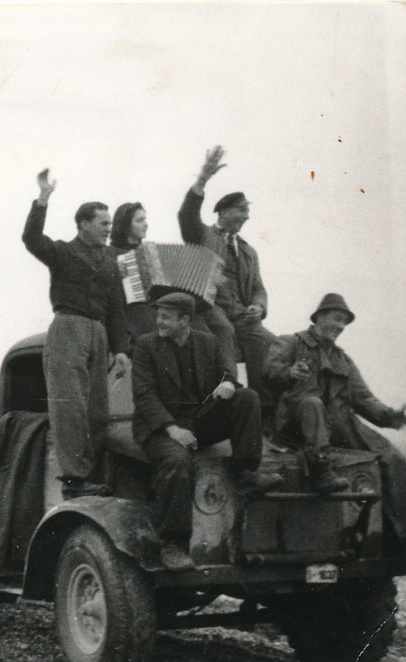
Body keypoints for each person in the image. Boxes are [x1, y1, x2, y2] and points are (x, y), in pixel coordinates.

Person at [132, 293, 283, 571]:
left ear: (185, 320)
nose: (159, 321)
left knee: (247, 397)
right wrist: (172, 429)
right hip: (159, 427)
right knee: (178, 462)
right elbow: (144, 396)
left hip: (198, 420)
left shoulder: (207, 342)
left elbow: (225, 373)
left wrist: (227, 384)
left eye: (165, 316)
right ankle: (173, 544)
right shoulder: (146, 346)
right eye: (158, 315)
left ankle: (247, 475)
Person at [22, 168, 131, 499]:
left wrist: (121, 348)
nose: (108, 229)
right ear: (83, 224)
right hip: (69, 326)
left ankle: (92, 474)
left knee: (97, 409)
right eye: (103, 224)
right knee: (70, 405)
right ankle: (73, 479)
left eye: (110, 224)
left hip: (99, 332)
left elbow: (116, 306)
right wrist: (42, 200)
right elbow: (31, 239)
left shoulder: (111, 261)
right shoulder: (62, 252)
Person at [264, 294, 406, 537]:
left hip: (339, 429)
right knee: (312, 402)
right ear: (320, 316)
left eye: (344, 323)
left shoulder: (343, 360)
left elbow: (364, 398)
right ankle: (322, 470)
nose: (340, 327)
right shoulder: (290, 343)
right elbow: (269, 371)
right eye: (337, 319)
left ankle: (397, 538)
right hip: (294, 428)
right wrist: (289, 372)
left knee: (394, 460)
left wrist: (394, 416)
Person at [177, 145, 276, 415]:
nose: (247, 216)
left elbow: (258, 288)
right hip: (208, 310)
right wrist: (202, 180)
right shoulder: (202, 235)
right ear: (223, 212)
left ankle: (263, 412)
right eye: (242, 210)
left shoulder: (249, 251)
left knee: (270, 344)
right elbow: (186, 215)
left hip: (242, 315)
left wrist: (259, 306)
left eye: (247, 211)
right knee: (222, 335)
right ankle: (220, 403)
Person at [109, 201, 156, 341]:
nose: (145, 224)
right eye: (140, 220)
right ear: (125, 225)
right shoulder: (111, 253)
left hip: (155, 311)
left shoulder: (150, 252)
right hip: (130, 315)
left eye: (145, 219)